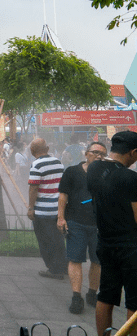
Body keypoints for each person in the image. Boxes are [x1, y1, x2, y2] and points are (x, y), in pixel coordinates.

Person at [87, 131, 137, 336]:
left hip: (105, 242)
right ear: (133, 152)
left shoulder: (94, 169)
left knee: (106, 295)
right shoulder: (130, 177)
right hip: (131, 246)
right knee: (134, 300)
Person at [57, 141, 106, 314]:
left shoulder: (106, 174)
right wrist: (61, 218)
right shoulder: (72, 172)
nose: (99, 156)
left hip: (99, 225)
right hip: (75, 222)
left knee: (97, 261)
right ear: (86, 154)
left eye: (102, 154)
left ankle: (92, 293)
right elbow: (63, 196)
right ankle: (76, 297)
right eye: (95, 152)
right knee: (75, 259)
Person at [28, 138, 67, 279]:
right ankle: (63, 267)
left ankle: (54, 269)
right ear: (48, 148)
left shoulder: (36, 165)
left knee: (45, 241)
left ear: (32, 151)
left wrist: (30, 208)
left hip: (42, 212)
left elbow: (33, 188)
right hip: (58, 210)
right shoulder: (58, 162)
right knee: (58, 240)